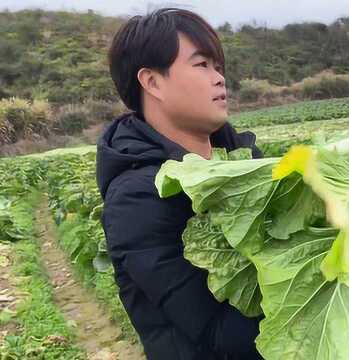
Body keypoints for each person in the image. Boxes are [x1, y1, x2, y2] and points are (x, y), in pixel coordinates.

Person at [95, 8, 263, 360]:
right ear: (152, 82)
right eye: (202, 65)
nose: (219, 78)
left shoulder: (246, 162)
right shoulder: (137, 198)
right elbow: (217, 334)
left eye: (218, 67)